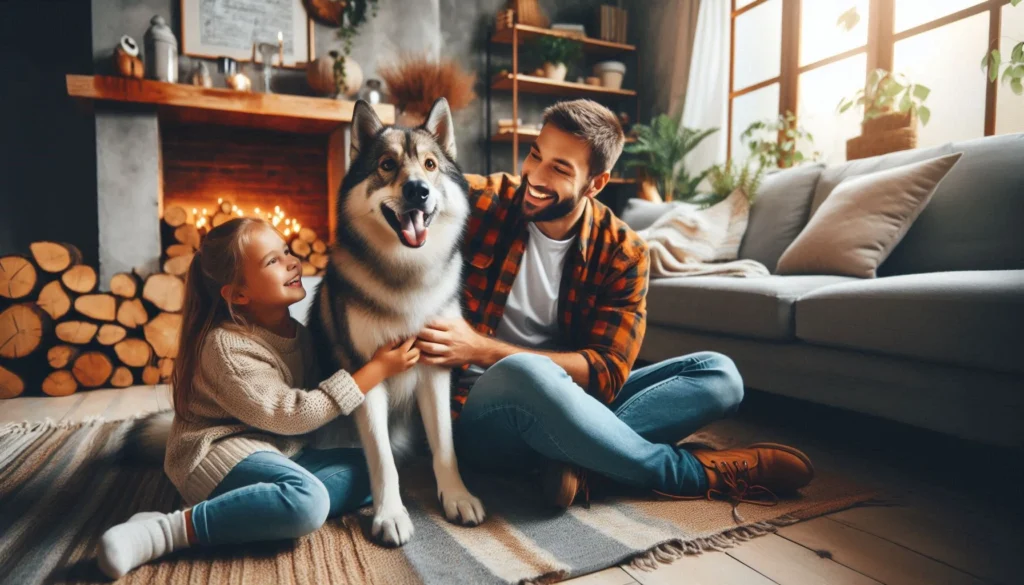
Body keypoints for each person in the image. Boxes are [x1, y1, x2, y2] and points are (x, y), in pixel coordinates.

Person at [415, 99, 814, 511]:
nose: (534, 174)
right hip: (475, 413)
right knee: (524, 371)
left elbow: (606, 374)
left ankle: (576, 462)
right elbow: (404, 203)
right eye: (536, 154)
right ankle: (683, 473)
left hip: (572, 403)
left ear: (596, 183)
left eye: (560, 168)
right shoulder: (480, 202)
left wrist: (481, 348)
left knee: (720, 375)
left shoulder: (624, 252)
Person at [96, 218, 418, 578]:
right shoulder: (226, 346)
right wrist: (374, 370)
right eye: (272, 261)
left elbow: (312, 399)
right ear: (238, 294)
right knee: (308, 503)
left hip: (282, 450)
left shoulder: (299, 335)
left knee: (374, 469)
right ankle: (166, 530)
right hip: (220, 452)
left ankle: (260, 505)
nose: (292, 261)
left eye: (286, 251)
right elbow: (292, 414)